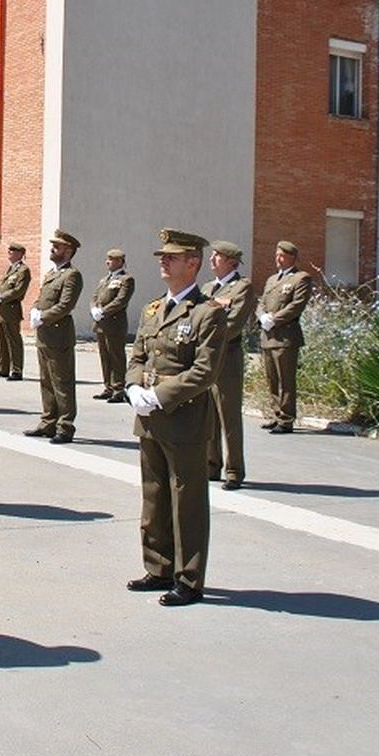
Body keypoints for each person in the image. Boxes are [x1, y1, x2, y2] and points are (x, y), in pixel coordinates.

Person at [123, 229, 227, 607]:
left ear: (193, 263)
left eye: (172, 256)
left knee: (187, 502)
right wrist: (133, 388)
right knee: (154, 498)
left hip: (183, 420)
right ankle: (159, 567)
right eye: (162, 256)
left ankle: (189, 578)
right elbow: (137, 356)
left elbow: (204, 372)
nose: (163, 262)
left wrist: (158, 395)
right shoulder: (153, 310)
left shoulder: (207, 313)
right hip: (149, 418)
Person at [202, 241, 255, 489]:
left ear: (231, 263)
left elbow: (233, 325)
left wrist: (205, 338)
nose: (212, 260)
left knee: (229, 416)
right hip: (206, 360)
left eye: (217, 257)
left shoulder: (241, 288)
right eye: (212, 256)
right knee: (208, 414)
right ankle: (212, 465)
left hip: (227, 359)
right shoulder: (208, 288)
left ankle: (234, 470)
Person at [25, 230, 84, 443]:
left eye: (57, 247)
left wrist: (44, 317)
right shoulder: (52, 274)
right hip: (44, 335)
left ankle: (65, 426)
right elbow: (41, 298)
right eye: (53, 246)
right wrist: (34, 311)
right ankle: (48, 422)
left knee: (62, 382)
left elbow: (66, 305)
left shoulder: (72, 275)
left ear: (68, 251)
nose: (52, 249)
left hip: (59, 335)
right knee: (46, 381)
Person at [257, 239, 314, 434]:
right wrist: (262, 316)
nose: (278, 259)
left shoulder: (301, 278)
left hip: (285, 337)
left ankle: (287, 418)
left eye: (282, 255)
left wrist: (274, 319)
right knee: (272, 378)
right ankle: (276, 414)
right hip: (268, 336)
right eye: (276, 255)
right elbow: (261, 302)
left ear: (292, 258)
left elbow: (297, 305)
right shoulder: (272, 280)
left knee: (285, 380)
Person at [90, 248, 135, 402]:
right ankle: (108, 387)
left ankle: (119, 388)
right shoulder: (104, 280)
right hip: (101, 324)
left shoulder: (126, 279)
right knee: (104, 356)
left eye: (112, 259)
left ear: (120, 262)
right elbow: (95, 296)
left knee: (116, 356)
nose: (107, 262)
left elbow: (121, 301)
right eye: (107, 259)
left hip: (115, 323)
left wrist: (103, 311)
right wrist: (94, 308)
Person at [0, 243, 31, 381]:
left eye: (13, 251)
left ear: (20, 253)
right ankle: (3, 368)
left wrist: (2, 296)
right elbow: (3, 286)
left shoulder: (23, 270)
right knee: (3, 339)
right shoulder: (10, 269)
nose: (9, 252)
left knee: (13, 340)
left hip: (12, 308)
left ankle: (17, 370)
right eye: (9, 250)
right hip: (2, 309)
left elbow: (19, 290)